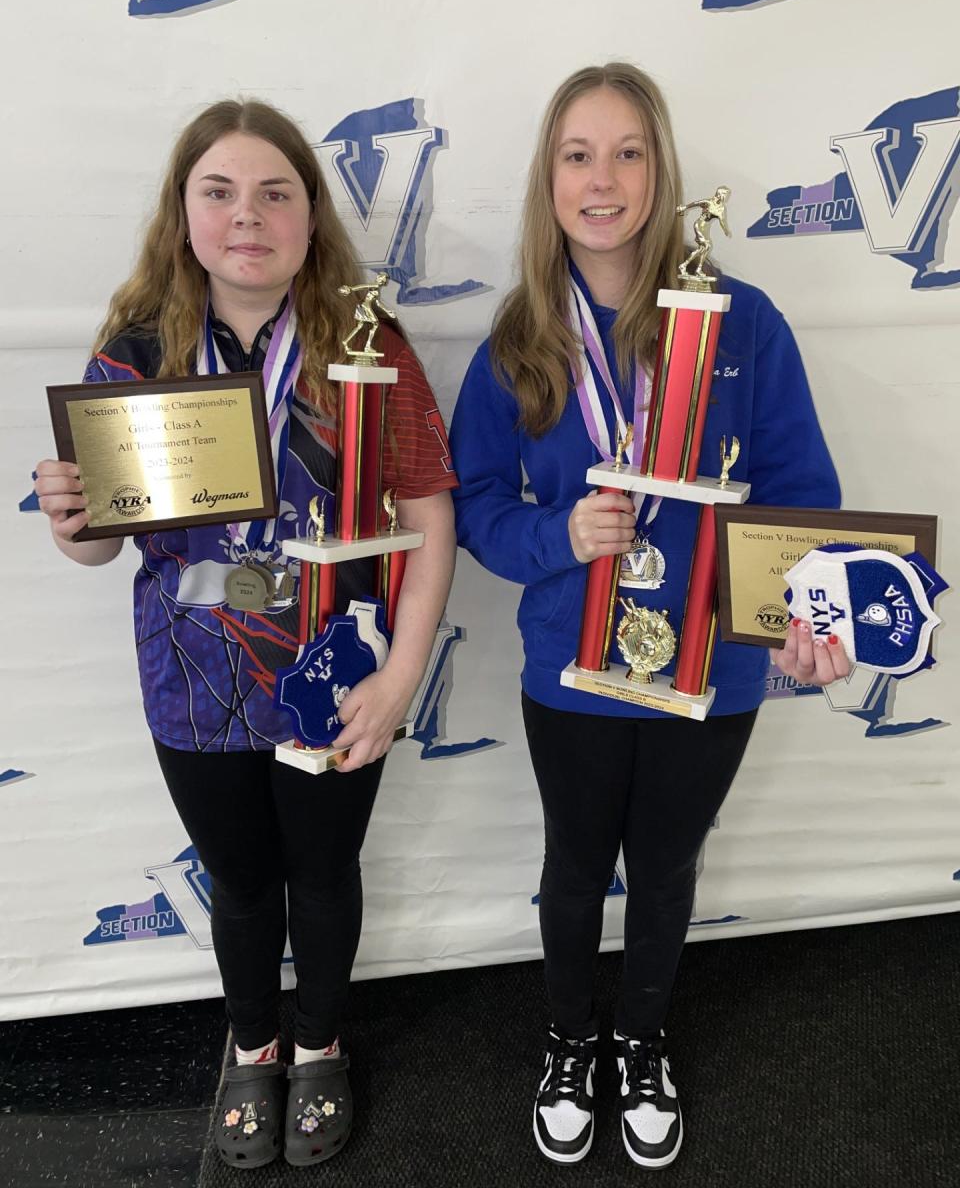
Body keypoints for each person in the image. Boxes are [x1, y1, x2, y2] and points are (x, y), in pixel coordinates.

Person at [33, 99, 457, 1170]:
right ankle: (253, 1041)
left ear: (311, 214)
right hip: (195, 669)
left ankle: (318, 1043)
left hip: (335, 665)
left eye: (276, 192)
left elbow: (428, 513)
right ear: (184, 212)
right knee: (237, 873)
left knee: (321, 868)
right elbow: (96, 548)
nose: (248, 215)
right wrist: (71, 520)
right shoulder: (134, 348)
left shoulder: (370, 344)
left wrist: (405, 672)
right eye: (219, 191)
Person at [448, 64, 849, 1170]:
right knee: (577, 861)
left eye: (629, 151)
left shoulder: (742, 323)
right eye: (578, 153)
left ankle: (642, 1036)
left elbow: (798, 490)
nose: (604, 178)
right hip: (568, 665)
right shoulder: (521, 338)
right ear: (549, 177)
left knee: (667, 863)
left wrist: (805, 618)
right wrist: (558, 539)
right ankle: (572, 1040)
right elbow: (476, 504)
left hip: (709, 664)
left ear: (663, 170)